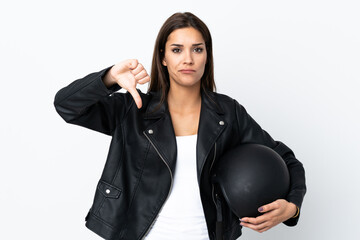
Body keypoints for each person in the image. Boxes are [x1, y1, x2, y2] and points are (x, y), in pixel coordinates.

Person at [54, 12, 306, 240]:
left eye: (197, 50)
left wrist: (292, 208)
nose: (188, 59)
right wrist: (110, 77)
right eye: (176, 50)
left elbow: (286, 159)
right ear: (162, 57)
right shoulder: (133, 108)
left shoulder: (228, 113)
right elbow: (67, 105)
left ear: (207, 56)